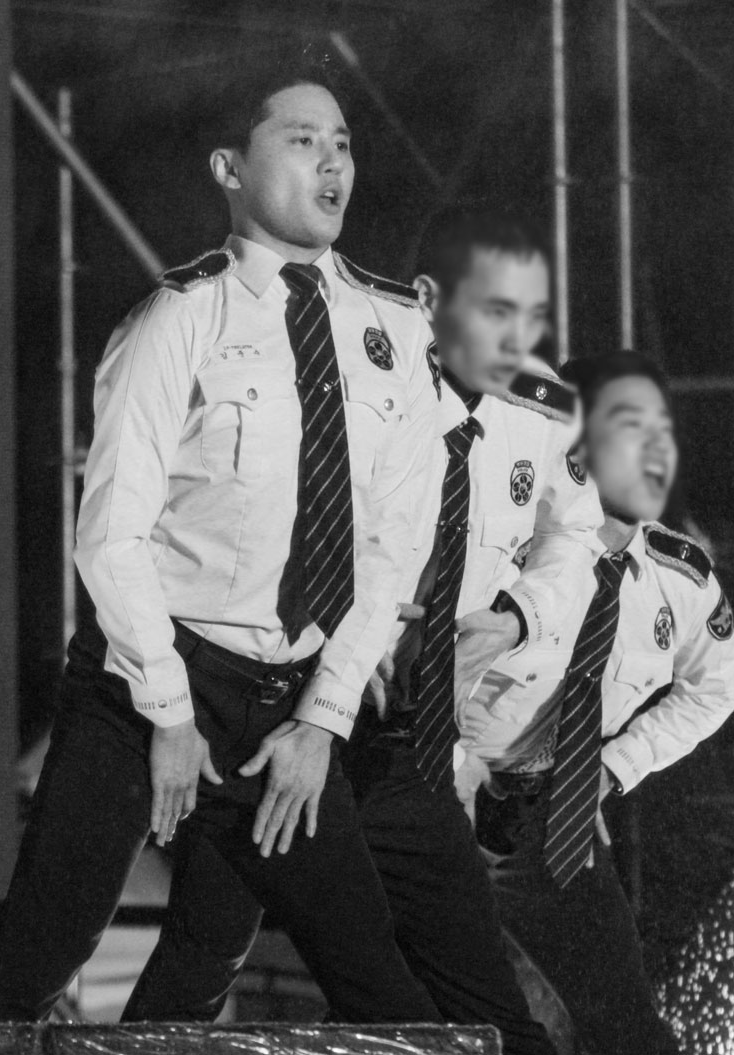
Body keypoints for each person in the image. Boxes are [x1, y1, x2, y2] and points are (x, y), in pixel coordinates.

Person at [0, 64, 441, 1024]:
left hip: (287, 710)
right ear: (230, 169)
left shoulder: (397, 327)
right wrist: (167, 712)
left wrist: (324, 721)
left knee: (338, 975)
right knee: (40, 956)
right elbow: (110, 536)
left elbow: (393, 545)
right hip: (145, 684)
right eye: (301, 141)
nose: (332, 163)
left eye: (342, 143)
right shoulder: (178, 318)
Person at [123, 207, 602, 1055]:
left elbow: (579, 534)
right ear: (428, 299)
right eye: (494, 310)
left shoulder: (543, 409)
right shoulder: (350, 381)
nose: (516, 337)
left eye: (530, 314)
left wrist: (517, 616)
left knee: (490, 1008)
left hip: (408, 747)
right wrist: (345, 645)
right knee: (205, 956)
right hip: (299, 723)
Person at [459, 351, 734, 1055]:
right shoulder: (506, 541)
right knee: (434, 1018)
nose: (652, 451)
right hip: (444, 795)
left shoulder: (681, 577)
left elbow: (720, 686)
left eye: (661, 431)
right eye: (627, 427)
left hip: (551, 815)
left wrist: (612, 768)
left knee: (629, 1032)